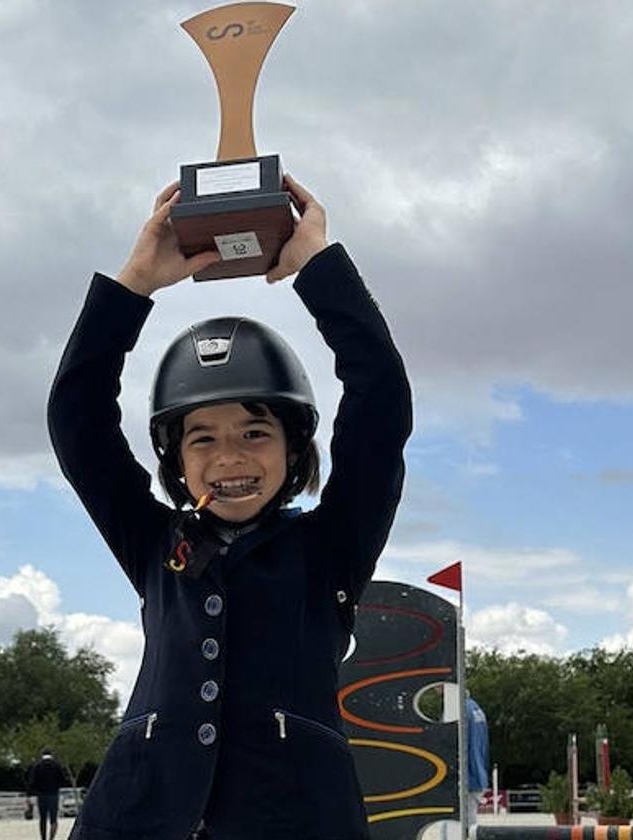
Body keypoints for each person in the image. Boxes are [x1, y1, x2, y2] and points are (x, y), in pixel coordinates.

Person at [48, 176, 412, 840]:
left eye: (254, 433)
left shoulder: (331, 547)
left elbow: (380, 405)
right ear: (178, 461)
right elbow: (77, 421)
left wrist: (319, 269)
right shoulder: (156, 547)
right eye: (203, 439)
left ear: (293, 446)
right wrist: (135, 282)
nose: (230, 459)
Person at [27, 748, 66, 840]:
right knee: (53, 819)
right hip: (53, 795)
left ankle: (43, 838)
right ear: (51, 754)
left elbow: (32, 782)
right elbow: (63, 780)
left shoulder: (37, 766)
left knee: (43, 819)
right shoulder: (57, 766)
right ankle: (51, 838)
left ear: (42, 755)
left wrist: (31, 793)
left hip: (41, 795)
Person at [466, 694, 490, 839]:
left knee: (464, 825)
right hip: (478, 771)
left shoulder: (456, 709)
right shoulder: (475, 707)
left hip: (467, 773)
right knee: (471, 822)